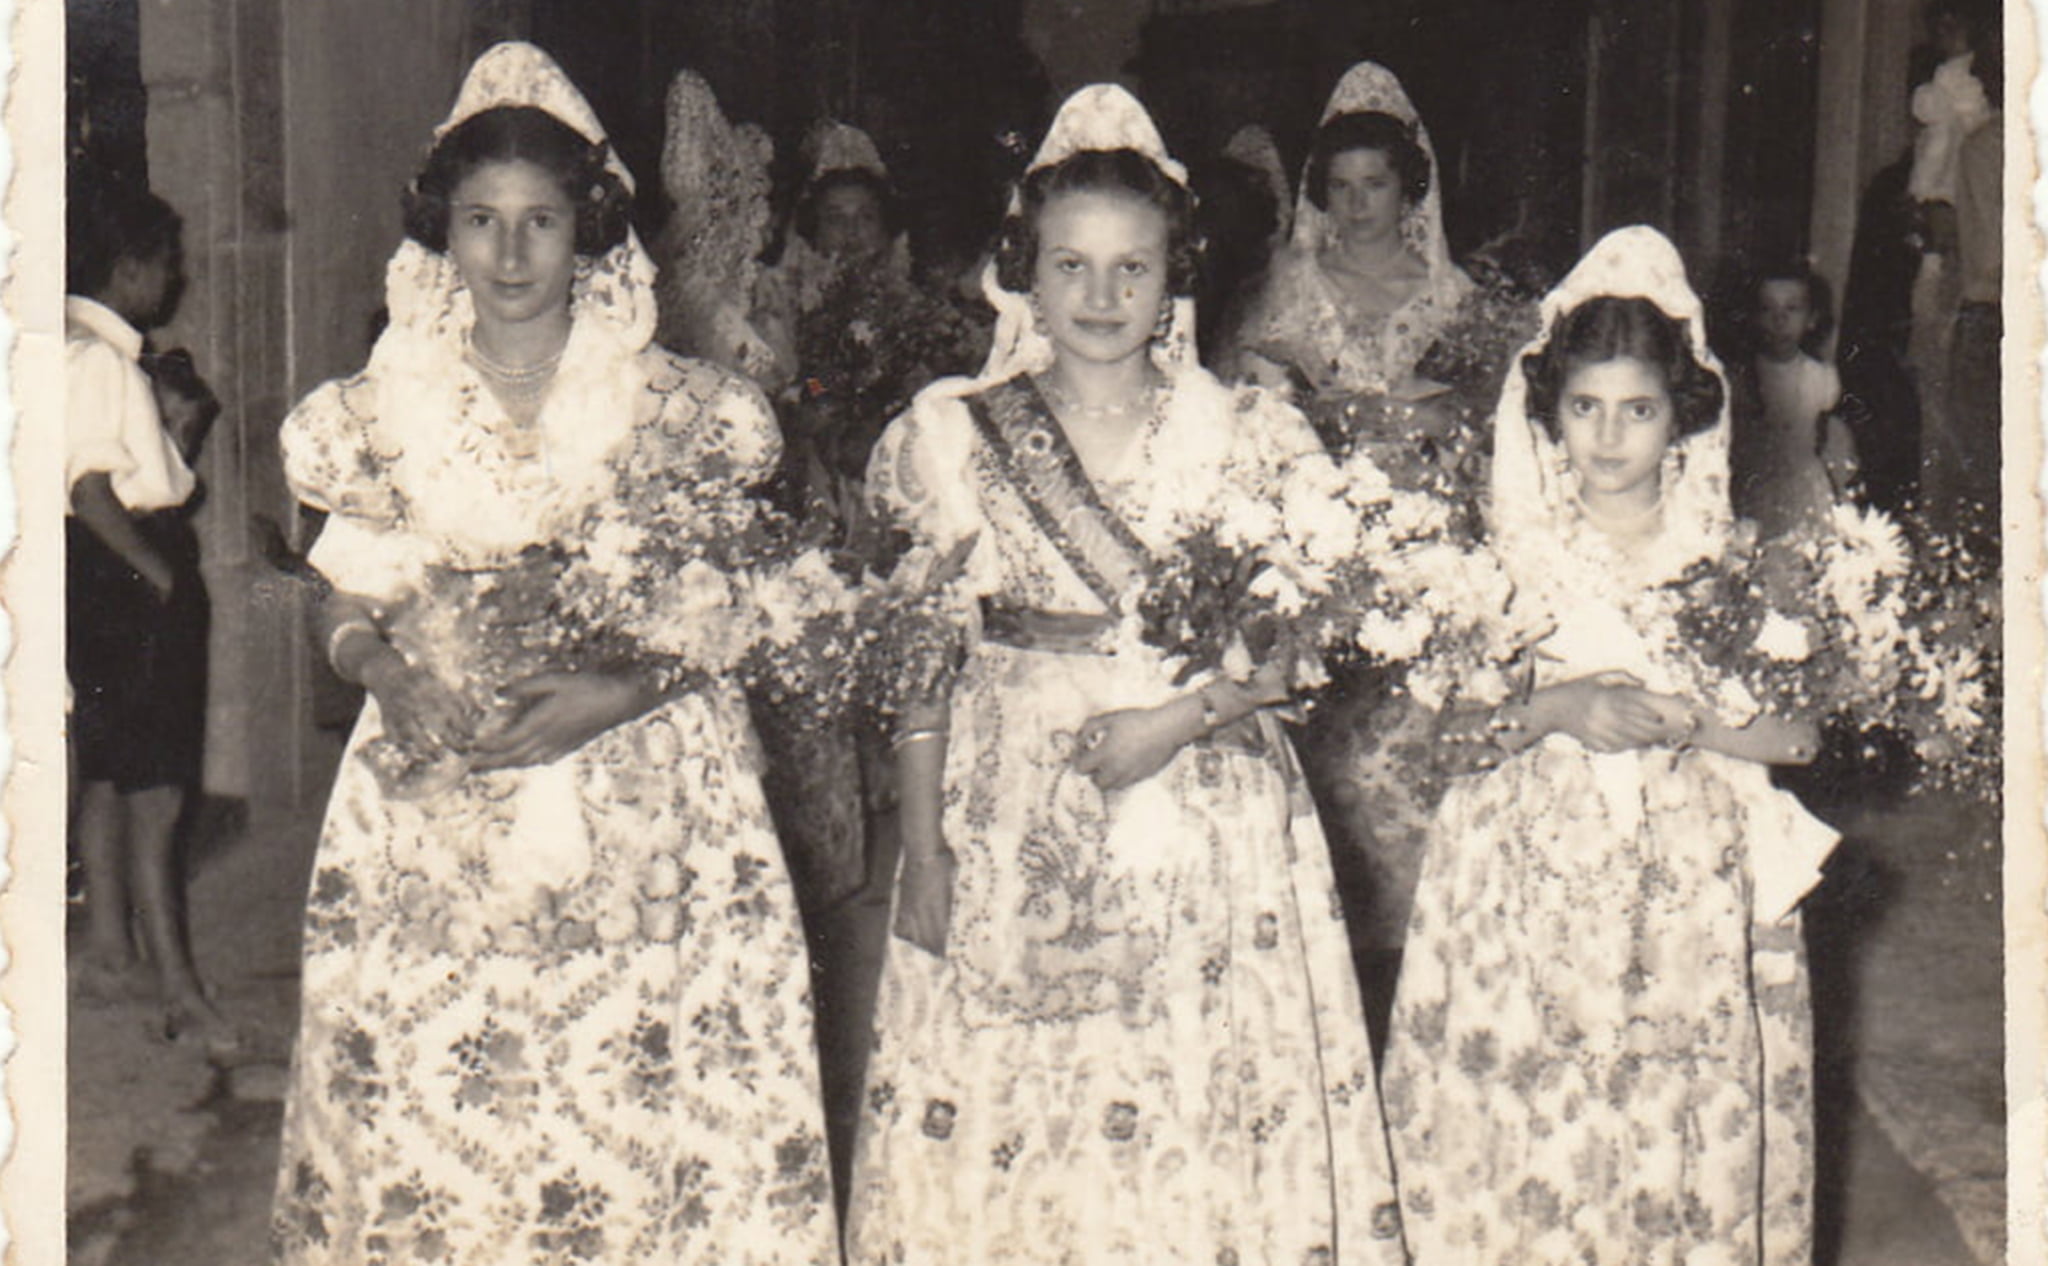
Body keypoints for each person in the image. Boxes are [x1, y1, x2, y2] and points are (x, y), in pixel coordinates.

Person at [267, 44, 837, 1265]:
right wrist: (381, 666)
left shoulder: (687, 408)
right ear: (443, 233)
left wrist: (619, 688)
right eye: (482, 222)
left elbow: (745, 606)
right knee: (440, 1077)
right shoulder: (376, 412)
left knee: (639, 1086)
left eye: (541, 221)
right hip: (440, 777)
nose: (512, 256)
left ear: (590, 230)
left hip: (646, 790)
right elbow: (348, 595)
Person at [843, 84, 1407, 1265]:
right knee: (1011, 1099)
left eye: (1131, 270)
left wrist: (1179, 717)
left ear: (1175, 276)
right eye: (1069, 267)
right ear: (1024, 271)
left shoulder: (1247, 433)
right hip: (1003, 809)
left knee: (1185, 1087)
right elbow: (920, 652)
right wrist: (926, 851)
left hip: (1199, 801)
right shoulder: (951, 433)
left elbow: (1305, 647)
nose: (1100, 299)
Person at [1381, 227, 1835, 1265]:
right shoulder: (1510, 556)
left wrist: (1681, 718)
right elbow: (1446, 732)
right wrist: (1556, 710)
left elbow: (1797, 737)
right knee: (1531, 1113)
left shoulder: (1731, 558)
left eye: (1636, 410)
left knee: (1670, 1120)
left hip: (1683, 882)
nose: (1607, 436)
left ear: (1682, 415)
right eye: (1584, 408)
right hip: (1522, 881)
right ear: (1548, 410)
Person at [1218, 62, 1516, 1050]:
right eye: (1336, 190)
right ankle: (1336, 989)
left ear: (1409, 191)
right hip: (1328, 553)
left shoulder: (1460, 299)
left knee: (1424, 763)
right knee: (1337, 765)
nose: (1353, 208)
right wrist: (1319, 425)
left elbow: (1493, 435)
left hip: (1432, 553)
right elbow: (1253, 419)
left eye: (1373, 187)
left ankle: (1428, 982)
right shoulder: (1286, 294)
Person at [65, 182, 226, 1045]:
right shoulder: (98, 362)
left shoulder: (68, 347)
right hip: (129, 572)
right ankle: (180, 992)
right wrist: (158, 577)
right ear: (128, 268)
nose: (175, 276)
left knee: (106, 771)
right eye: (166, 262)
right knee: (160, 795)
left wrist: (175, 437)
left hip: (93, 579)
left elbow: (127, 472)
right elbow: (93, 493)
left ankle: (113, 951)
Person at [652, 69, 794, 390]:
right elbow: (793, 379)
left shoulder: (762, 285)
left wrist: (815, 394)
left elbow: (808, 379)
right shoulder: (690, 295)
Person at [1729, 262, 1861, 539]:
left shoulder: (1822, 377)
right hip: (1758, 483)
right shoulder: (1741, 378)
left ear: (1811, 319)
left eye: (1792, 309)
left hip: (1804, 485)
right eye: (1768, 309)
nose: (1780, 320)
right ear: (1753, 317)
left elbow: (1831, 440)